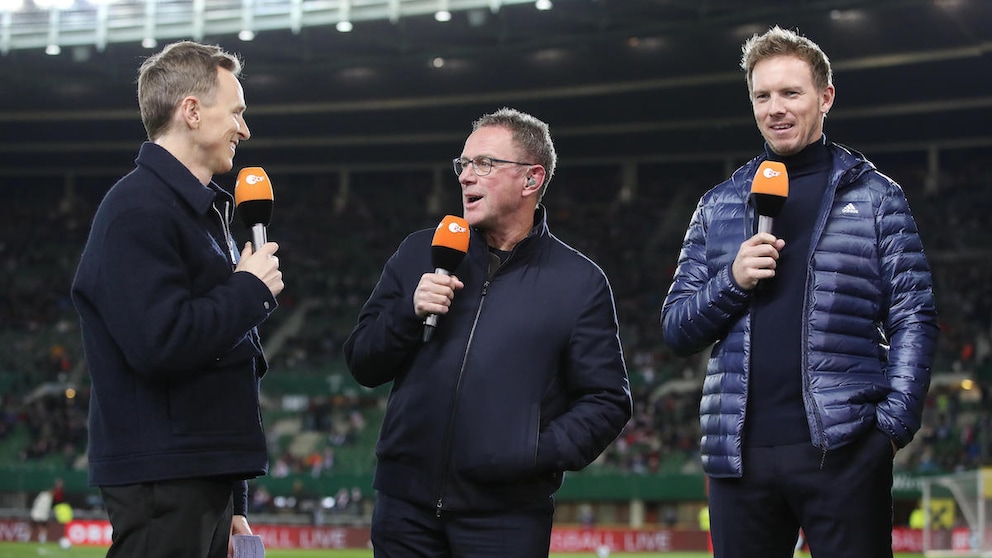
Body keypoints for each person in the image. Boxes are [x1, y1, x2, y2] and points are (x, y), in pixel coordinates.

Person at [660, 26, 938, 558]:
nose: (775, 109)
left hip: (844, 449)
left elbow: (913, 315)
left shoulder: (877, 197)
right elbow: (676, 328)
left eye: (791, 93)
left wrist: (890, 430)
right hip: (739, 458)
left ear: (825, 97)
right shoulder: (718, 205)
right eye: (762, 96)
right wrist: (732, 281)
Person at [344, 107, 632, 557]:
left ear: (531, 180)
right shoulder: (420, 251)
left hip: (507, 517)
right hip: (405, 510)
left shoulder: (579, 282)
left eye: (485, 164)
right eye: (464, 164)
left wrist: (532, 452)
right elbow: (362, 360)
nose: (466, 176)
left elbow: (608, 400)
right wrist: (408, 312)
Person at [71, 40, 283, 558]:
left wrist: (235, 500)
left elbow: (224, 364)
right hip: (164, 473)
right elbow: (159, 343)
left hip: (197, 468)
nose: (244, 128)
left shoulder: (196, 213)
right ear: (191, 111)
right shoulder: (137, 209)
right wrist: (249, 290)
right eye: (236, 112)